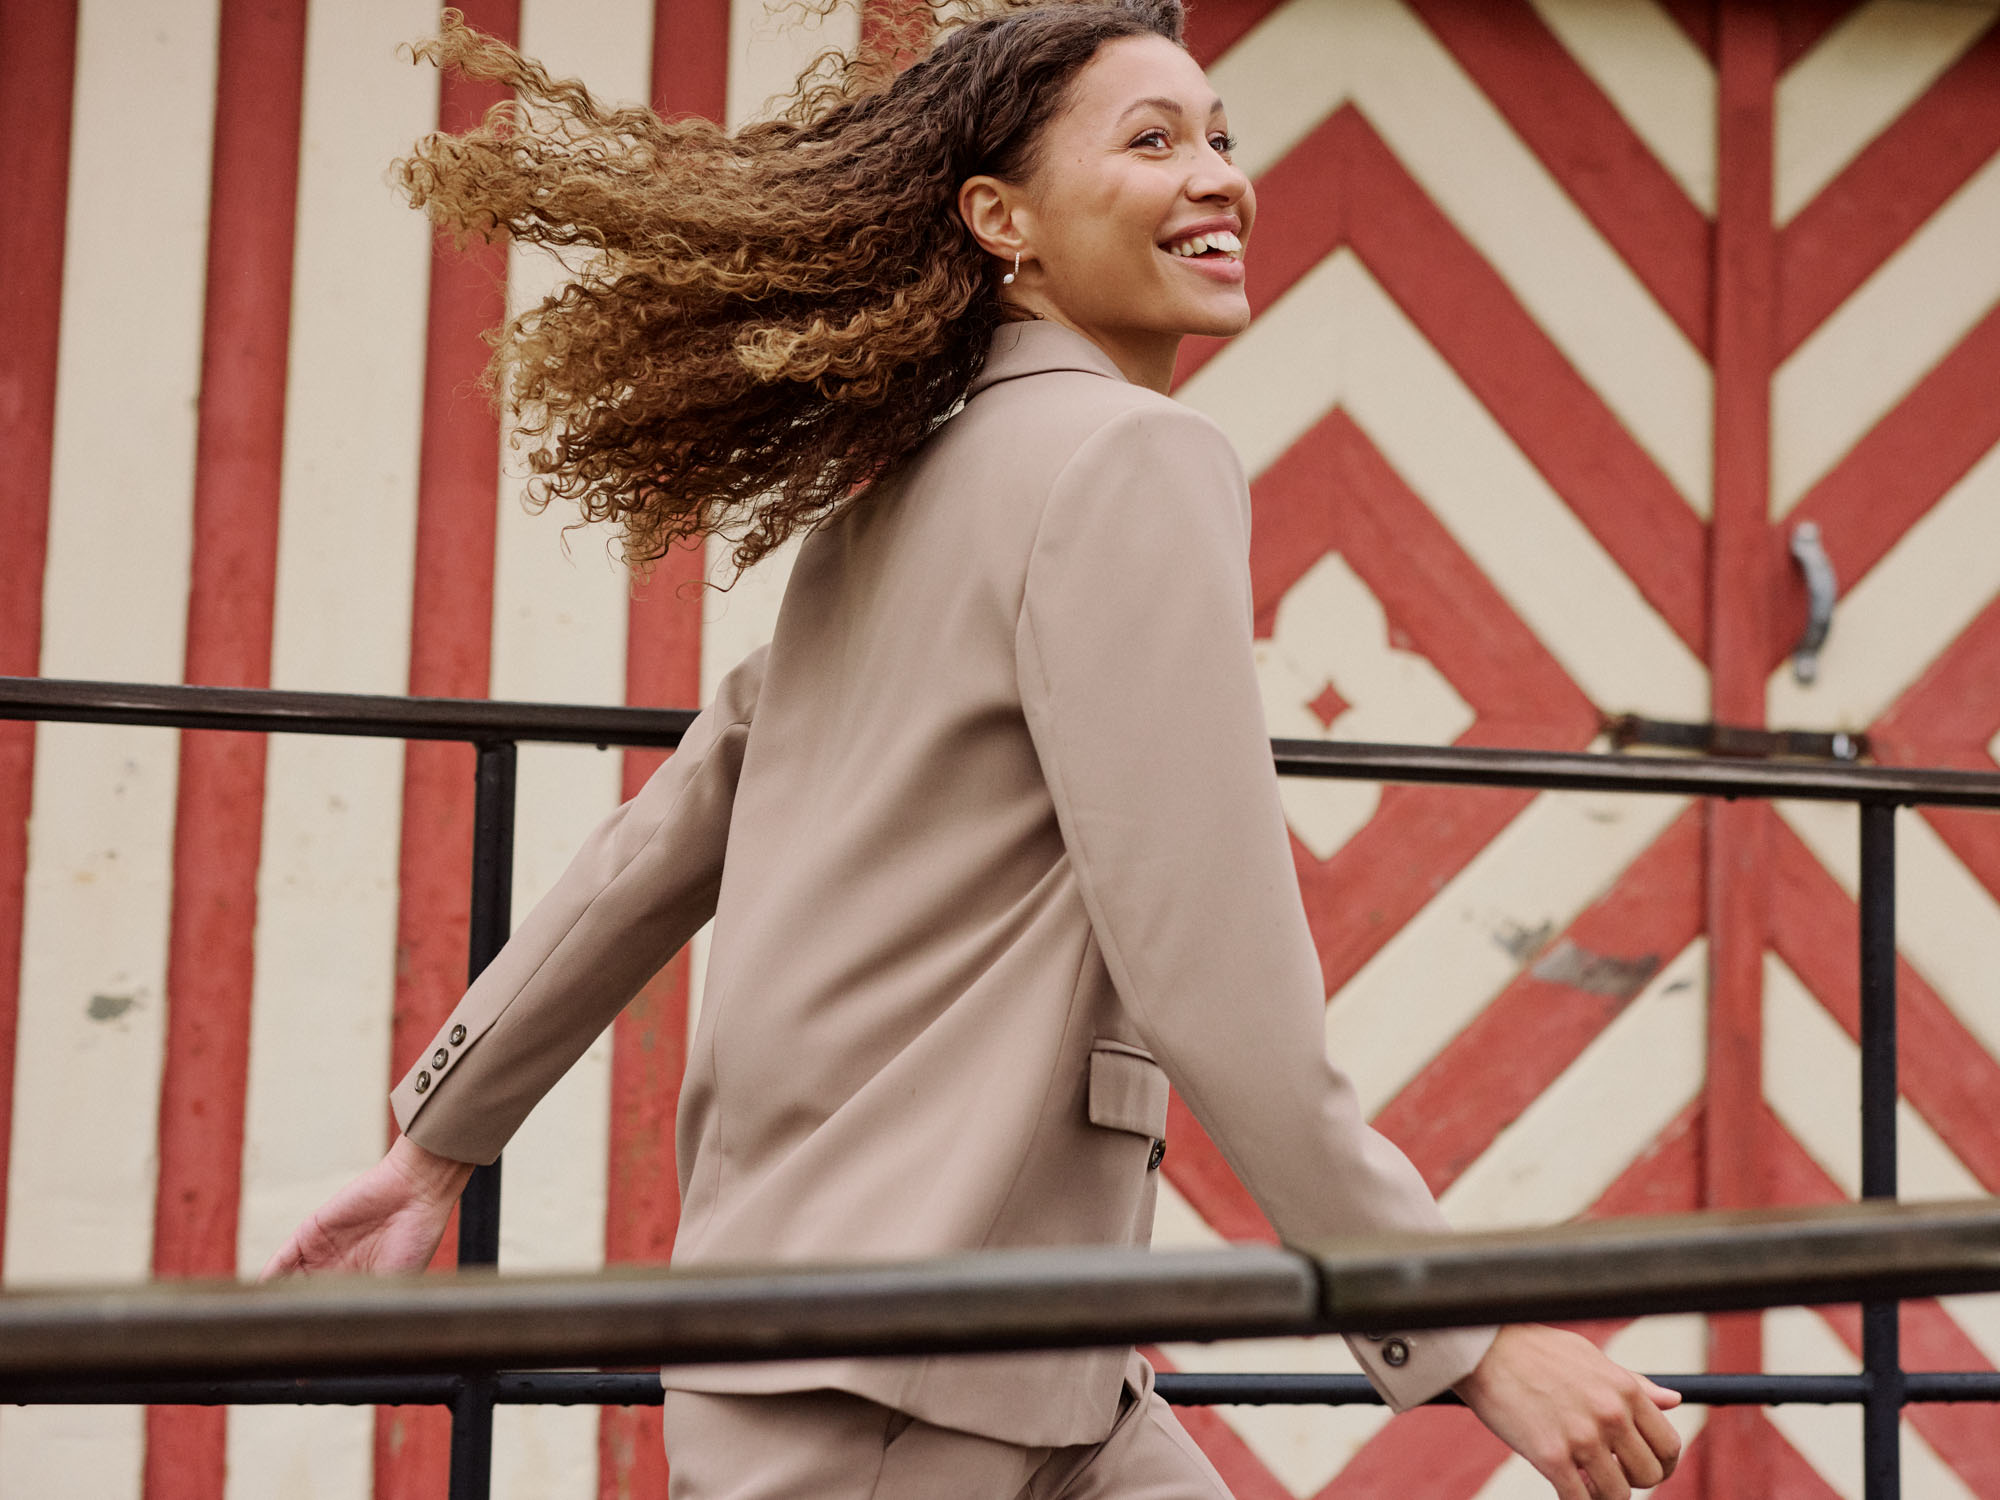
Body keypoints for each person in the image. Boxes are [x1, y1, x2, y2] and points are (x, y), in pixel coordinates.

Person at [266, 3, 1685, 1496]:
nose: (1216, 175)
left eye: (1220, 135)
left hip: (1000, 1349)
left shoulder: (895, 496)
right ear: (1002, 220)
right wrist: (1458, 1331)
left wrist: (443, 1134)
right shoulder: (1137, 459)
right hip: (908, 1363)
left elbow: (677, 820)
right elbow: (1210, 955)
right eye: (1152, 142)